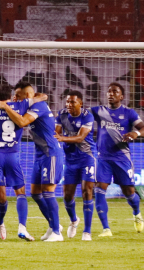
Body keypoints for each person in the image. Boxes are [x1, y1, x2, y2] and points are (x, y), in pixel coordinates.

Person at [0, 85, 45, 242]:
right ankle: (22, 228)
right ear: (11, 95)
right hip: (12, 156)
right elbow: (42, 97)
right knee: (20, 193)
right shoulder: (21, 105)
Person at [1, 81, 64, 242]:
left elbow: (22, 122)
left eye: (18, 95)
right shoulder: (30, 105)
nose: (15, 98)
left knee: (48, 192)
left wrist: (7, 107)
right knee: (36, 193)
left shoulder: (39, 106)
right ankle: (52, 225)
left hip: (51, 152)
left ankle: (57, 232)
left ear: (28, 96)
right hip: (40, 154)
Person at [90, 82, 144, 237]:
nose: (111, 94)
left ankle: (136, 213)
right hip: (103, 158)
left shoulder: (129, 113)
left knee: (129, 192)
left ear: (121, 96)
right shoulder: (99, 111)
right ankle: (106, 229)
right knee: (99, 189)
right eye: (109, 91)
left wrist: (136, 134)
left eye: (115, 92)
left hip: (122, 158)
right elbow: (82, 115)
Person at [54, 90, 96, 241]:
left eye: (72, 102)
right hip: (70, 159)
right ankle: (74, 220)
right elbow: (55, 133)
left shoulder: (87, 116)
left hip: (87, 157)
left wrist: (61, 138)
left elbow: (80, 137)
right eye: (67, 101)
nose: (69, 105)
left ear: (80, 103)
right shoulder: (62, 114)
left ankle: (87, 231)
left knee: (87, 191)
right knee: (67, 195)